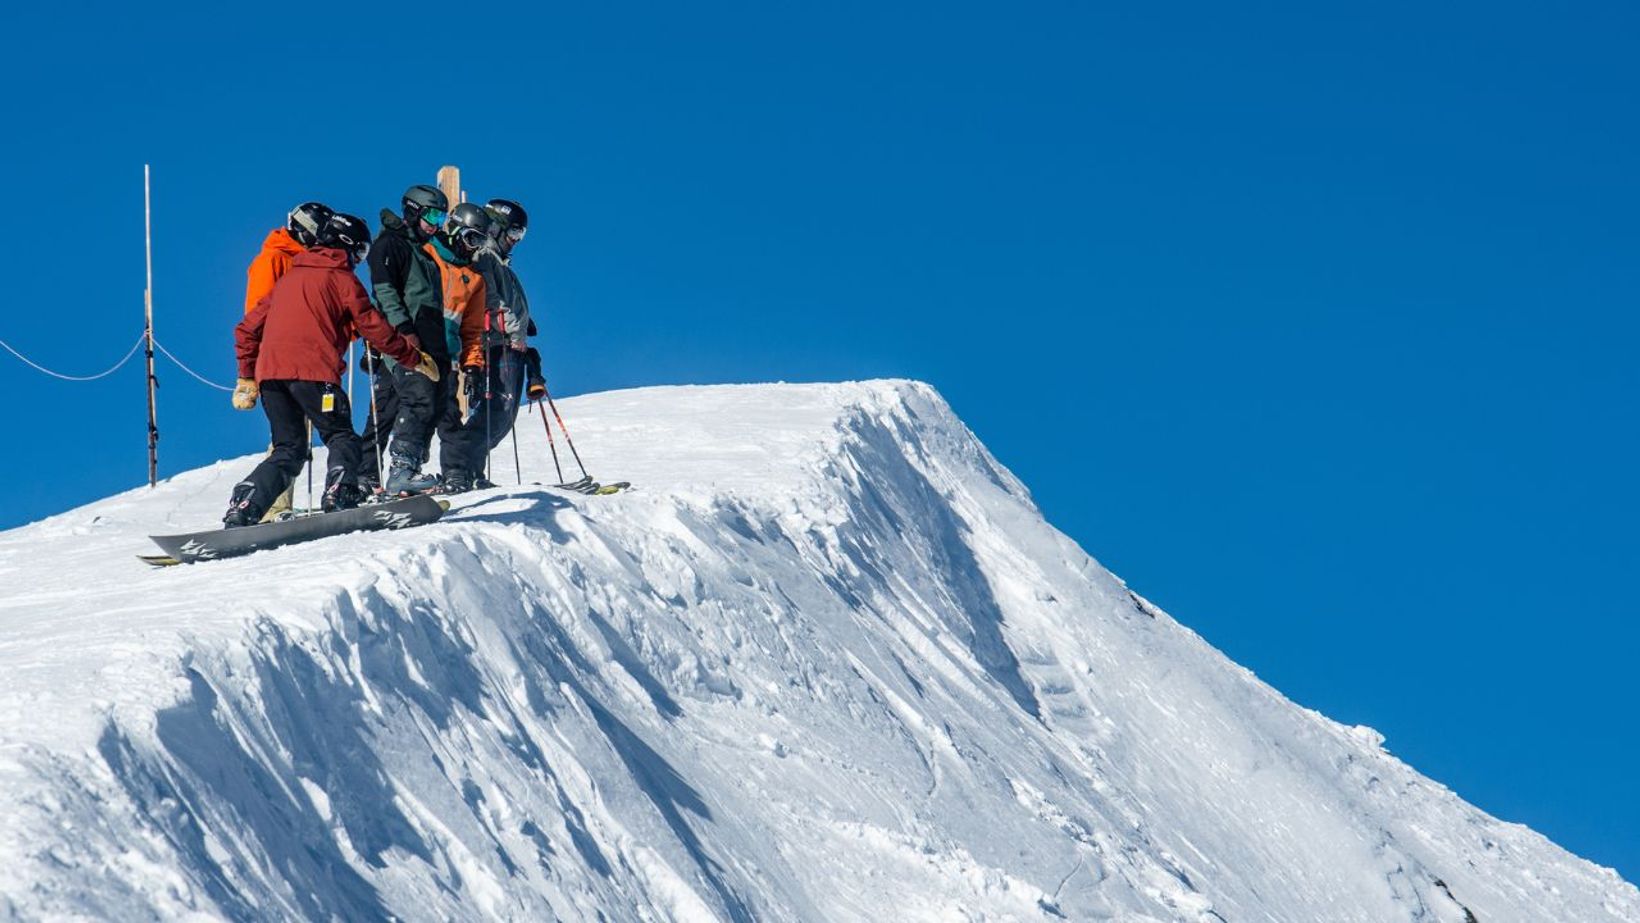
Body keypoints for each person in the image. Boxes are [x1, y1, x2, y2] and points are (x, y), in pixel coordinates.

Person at [226, 213, 438, 526]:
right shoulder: (341, 278)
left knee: (288, 449)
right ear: (348, 246)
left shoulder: (287, 280)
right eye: (362, 252)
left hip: (271, 379)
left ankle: (246, 502)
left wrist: (247, 376)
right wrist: (413, 358)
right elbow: (374, 326)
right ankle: (340, 492)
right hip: (314, 375)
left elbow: (246, 329)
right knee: (341, 436)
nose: (359, 260)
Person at [244, 201, 333, 520]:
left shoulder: (304, 263)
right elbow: (257, 312)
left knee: (299, 432)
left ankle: (277, 503)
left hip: (303, 358)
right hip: (280, 358)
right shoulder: (274, 258)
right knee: (288, 437)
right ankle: (270, 505)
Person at [358, 184, 448, 492]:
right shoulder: (390, 245)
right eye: (433, 215)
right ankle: (397, 471)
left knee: (429, 405)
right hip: (407, 341)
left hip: (431, 339)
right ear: (414, 211)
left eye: (442, 217)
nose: (437, 224)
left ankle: (393, 473)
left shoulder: (423, 253)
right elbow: (385, 292)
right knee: (417, 400)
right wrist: (404, 331)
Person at [463, 197, 535, 487]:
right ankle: (463, 467)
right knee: (497, 411)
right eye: (515, 233)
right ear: (498, 227)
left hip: (502, 341)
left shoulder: (499, 262)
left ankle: (470, 469)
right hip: (495, 343)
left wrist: (524, 321)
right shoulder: (483, 256)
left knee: (500, 413)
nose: (517, 241)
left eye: (521, 235)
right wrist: (515, 330)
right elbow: (489, 299)